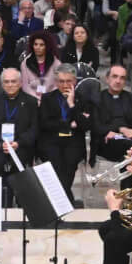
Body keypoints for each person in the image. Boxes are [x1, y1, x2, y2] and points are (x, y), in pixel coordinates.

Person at [37, 64, 91, 203]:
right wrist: (69, 124)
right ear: (56, 82)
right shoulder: (47, 98)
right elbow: (44, 123)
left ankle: (58, 200)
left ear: (75, 81)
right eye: (61, 81)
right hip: (52, 141)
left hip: (73, 141)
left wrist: (72, 105)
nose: (65, 85)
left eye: (69, 81)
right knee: (55, 164)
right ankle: (66, 199)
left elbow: (85, 126)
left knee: (69, 163)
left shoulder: (83, 99)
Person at [0, 68, 38, 181]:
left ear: (20, 83)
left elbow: (34, 128)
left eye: (13, 81)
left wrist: (19, 143)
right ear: (2, 84)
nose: (10, 85)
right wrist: (0, 143)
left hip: (21, 145)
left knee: (20, 172)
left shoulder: (31, 102)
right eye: (6, 82)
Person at [91, 64, 132, 163]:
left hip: (129, 141)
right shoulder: (97, 99)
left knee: (129, 146)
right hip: (107, 145)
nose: (118, 81)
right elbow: (96, 127)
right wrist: (121, 129)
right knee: (129, 147)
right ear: (107, 79)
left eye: (122, 78)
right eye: (114, 76)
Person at [19, 30, 59, 98]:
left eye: (41, 45)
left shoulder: (56, 63)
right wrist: (36, 98)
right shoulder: (25, 63)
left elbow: (57, 85)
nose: (38, 47)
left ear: (47, 46)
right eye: (35, 44)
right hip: (31, 99)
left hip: (51, 98)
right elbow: (25, 86)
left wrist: (46, 98)